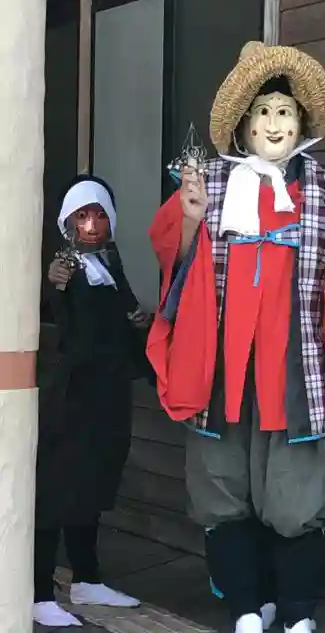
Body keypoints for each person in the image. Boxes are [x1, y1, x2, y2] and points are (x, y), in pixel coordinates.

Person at [147, 42, 325, 633]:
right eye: (263, 112)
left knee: (297, 497)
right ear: (243, 126)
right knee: (223, 492)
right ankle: (246, 610)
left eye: (284, 112)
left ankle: (297, 614)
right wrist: (192, 219)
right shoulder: (209, 184)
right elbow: (173, 262)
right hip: (223, 373)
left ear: (300, 122)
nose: (274, 124)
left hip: (296, 375)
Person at [34, 175, 149, 628]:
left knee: (93, 485)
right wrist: (53, 280)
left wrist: (138, 322)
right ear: (68, 222)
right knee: (56, 487)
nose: (91, 224)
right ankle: (39, 590)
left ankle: (86, 577)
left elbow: (126, 316)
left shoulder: (111, 265)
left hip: (108, 392)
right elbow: (55, 309)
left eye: (99, 214)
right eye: (82, 215)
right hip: (72, 393)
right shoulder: (65, 266)